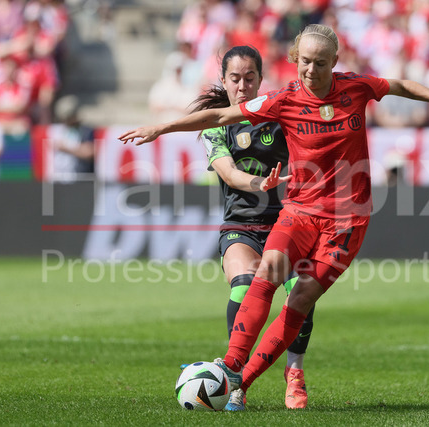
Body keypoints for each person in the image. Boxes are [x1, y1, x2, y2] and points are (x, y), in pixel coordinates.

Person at [119, 24, 429, 407]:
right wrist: (162, 127)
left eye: (321, 63)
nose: (312, 70)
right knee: (266, 273)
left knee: (300, 298)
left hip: (348, 222)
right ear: (296, 59)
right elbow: (219, 117)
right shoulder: (282, 100)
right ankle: (231, 365)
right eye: (306, 62)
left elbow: (400, 85)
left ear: (335, 61)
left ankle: (243, 382)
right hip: (299, 212)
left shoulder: (356, 87)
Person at [186, 45, 317, 410]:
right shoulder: (216, 126)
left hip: (287, 222)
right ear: (223, 80)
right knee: (245, 287)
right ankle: (236, 380)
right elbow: (228, 173)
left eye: (249, 78)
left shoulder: (281, 116)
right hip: (240, 226)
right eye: (235, 79)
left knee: (299, 291)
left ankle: (295, 373)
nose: (242, 86)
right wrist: (259, 183)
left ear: (260, 79)